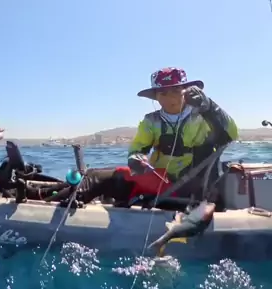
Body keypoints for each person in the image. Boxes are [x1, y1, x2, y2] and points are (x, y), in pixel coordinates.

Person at [19, 68, 238, 207]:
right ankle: (35, 193)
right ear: (156, 97)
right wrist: (136, 159)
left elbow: (231, 133)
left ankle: (47, 198)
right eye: (163, 93)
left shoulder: (204, 116)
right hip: (158, 181)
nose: (169, 97)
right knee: (100, 177)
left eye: (175, 90)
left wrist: (210, 106)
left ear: (186, 91)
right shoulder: (151, 121)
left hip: (185, 187)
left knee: (98, 177)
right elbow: (137, 150)